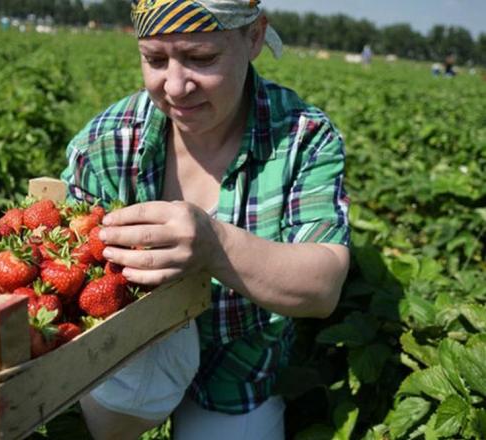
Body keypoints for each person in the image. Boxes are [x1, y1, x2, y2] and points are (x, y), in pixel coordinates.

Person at [60, 0, 351, 439]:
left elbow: (323, 285)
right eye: (155, 59)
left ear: (253, 37)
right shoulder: (106, 143)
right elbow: (64, 269)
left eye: (201, 58)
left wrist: (214, 245)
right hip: (125, 355)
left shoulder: (302, 139)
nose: (175, 86)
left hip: (239, 370)